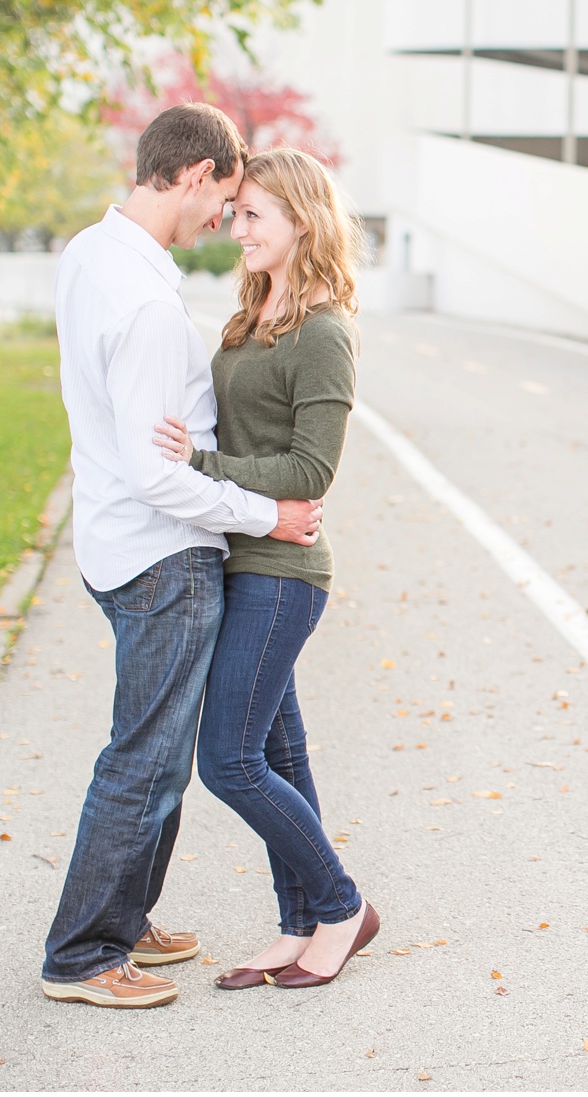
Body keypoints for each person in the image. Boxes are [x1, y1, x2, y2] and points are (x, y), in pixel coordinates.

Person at [42, 105, 324, 1009]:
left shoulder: (91, 255)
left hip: (115, 543)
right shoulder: (149, 308)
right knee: (146, 758)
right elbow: (161, 474)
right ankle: (85, 954)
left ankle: (125, 917)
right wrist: (264, 514)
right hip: (164, 555)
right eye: (227, 200)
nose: (226, 221)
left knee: (157, 752)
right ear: (197, 173)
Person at [149, 146, 378, 990]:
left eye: (253, 215)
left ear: (302, 223)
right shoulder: (249, 318)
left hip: (283, 573)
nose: (233, 226)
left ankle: (344, 906)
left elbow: (311, 471)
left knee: (232, 760)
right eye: (235, 211)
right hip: (234, 557)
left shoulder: (324, 332)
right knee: (282, 755)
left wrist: (201, 469)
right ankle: (301, 923)